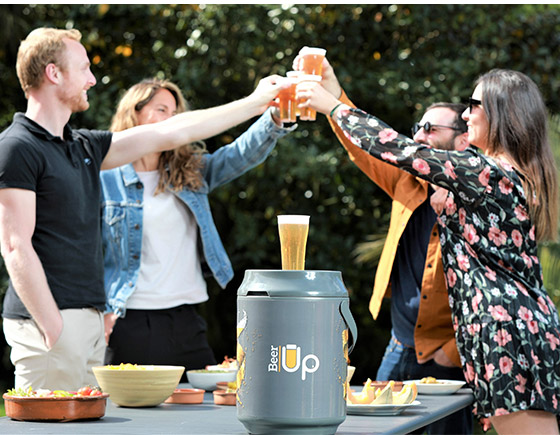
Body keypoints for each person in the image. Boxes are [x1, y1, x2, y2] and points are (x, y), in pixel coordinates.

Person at [0, 27, 286, 391]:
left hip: (88, 323)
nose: (92, 79)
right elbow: (14, 246)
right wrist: (55, 328)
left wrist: (256, 103)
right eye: (84, 68)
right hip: (53, 326)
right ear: (53, 73)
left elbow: (173, 133)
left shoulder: (83, 147)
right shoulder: (17, 147)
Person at [298, 68, 560, 433]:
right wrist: (336, 94)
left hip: (506, 333)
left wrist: (332, 107)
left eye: (473, 104)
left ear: (502, 113)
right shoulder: (508, 174)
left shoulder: (485, 172)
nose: (466, 114)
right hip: (512, 329)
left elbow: (398, 148)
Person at [294, 54, 473, 434]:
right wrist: (332, 87)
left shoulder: (477, 194)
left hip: (448, 358)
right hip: (399, 345)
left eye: (430, 129)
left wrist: (452, 351)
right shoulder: (406, 180)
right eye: (417, 127)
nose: (419, 136)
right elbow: (362, 144)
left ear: (463, 139)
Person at [101, 78, 294, 372]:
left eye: (175, 114)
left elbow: (239, 153)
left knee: (204, 410)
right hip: (129, 322)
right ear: (134, 113)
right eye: (161, 110)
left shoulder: (190, 171)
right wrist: (99, 311)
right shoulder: (104, 178)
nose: (172, 120)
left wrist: (274, 119)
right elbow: (84, 251)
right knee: (129, 415)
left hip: (186, 321)